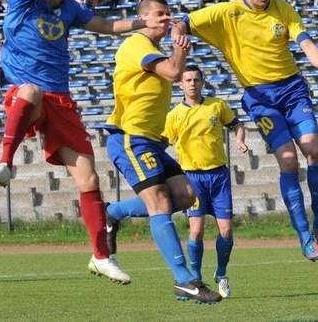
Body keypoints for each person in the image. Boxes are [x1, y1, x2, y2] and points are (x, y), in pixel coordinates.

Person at [0, 0, 170, 285]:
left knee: (89, 179)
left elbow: (107, 27)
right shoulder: (20, 1)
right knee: (30, 90)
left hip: (62, 102)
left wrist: (145, 25)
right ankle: (6, 163)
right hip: (29, 96)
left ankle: (102, 256)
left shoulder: (68, 8)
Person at [174, 0, 318, 262]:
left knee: (314, 151)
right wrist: (178, 34)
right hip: (259, 97)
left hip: (292, 89)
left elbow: (305, 42)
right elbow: (184, 20)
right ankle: (303, 236)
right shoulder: (226, 12)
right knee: (288, 160)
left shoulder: (282, 8)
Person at [104, 0, 222, 304]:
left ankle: (112, 212)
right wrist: (180, 48)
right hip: (130, 137)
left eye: (168, 13)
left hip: (150, 140)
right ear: (142, 18)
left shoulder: (153, 50)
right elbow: (172, 72)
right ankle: (185, 280)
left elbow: (172, 68)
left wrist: (179, 50)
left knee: (185, 195)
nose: (166, 18)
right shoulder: (136, 44)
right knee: (158, 202)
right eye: (159, 14)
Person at [105, 64, 248, 299]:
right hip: (192, 175)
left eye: (196, 79)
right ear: (180, 84)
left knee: (226, 230)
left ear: (203, 82)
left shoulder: (216, 105)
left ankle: (221, 274)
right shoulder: (173, 115)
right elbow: (161, 143)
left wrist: (240, 140)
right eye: (187, 80)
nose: (192, 83)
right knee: (197, 230)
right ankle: (195, 278)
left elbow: (235, 125)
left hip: (219, 175)